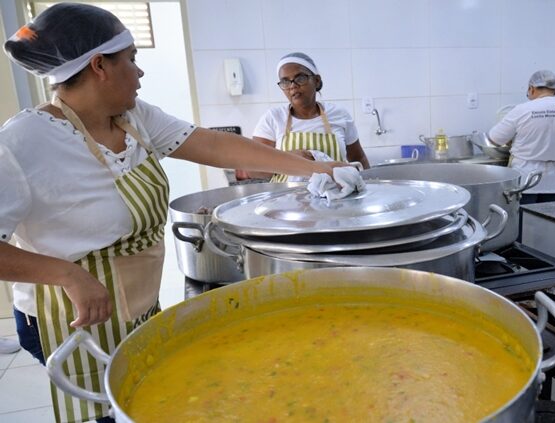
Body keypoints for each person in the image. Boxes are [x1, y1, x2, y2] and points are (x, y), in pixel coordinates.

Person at [0, 4, 350, 423]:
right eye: (131, 60)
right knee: (104, 413)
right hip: (70, 316)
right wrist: (67, 274)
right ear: (99, 67)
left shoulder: (134, 119)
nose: (140, 72)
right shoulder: (23, 142)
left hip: (137, 304)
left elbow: (213, 145)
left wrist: (319, 167)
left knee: (139, 399)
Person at [235, 52, 370, 182]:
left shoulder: (339, 114)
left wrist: (369, 187)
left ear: (316, 81)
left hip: (336, 199)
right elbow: (252, 169)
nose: (293, 86)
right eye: (285, 82)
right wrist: (288, 159)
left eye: (300, 78)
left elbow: (359, 158)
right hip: (288, 200)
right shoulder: (273, 118)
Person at [488, 70, 555, 204]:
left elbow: (495, 138)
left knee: (526, 221)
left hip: (527, 180)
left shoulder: (522, 109)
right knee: (552, 221)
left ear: (531, 89)